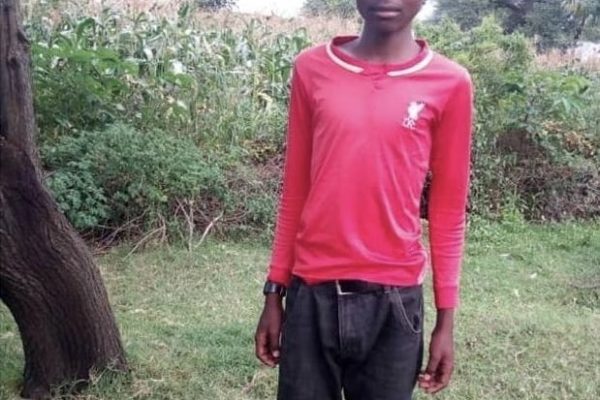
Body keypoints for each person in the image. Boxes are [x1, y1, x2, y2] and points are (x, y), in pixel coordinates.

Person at [255, 0, 474, 399]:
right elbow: (295, 191)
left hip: (395, 306)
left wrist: (446, 320)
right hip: (311, 296)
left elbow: (447, 211)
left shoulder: (450, 83)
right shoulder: (312, 68)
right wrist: (275, 291)